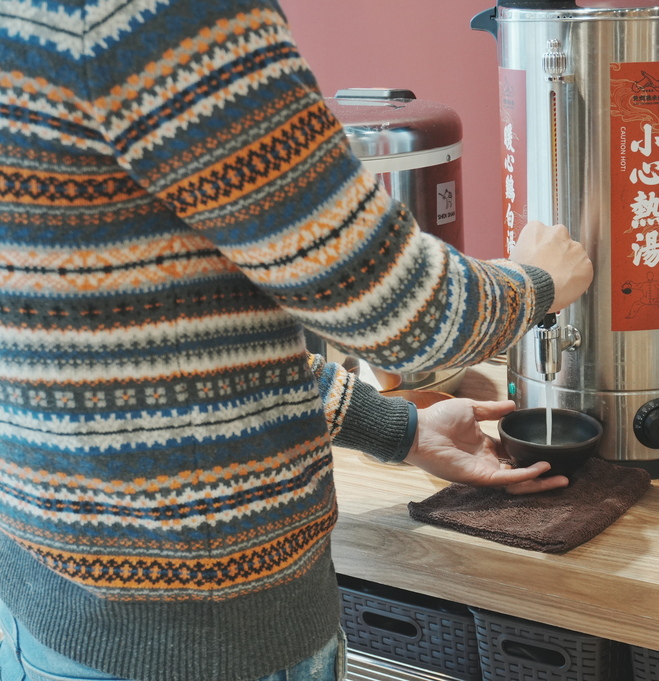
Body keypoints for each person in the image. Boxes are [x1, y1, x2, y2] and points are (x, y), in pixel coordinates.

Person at [0, 1, 593, 680]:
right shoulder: (158, 16)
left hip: (45, 611)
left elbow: (125, 345)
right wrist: (543, 279)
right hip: (209, 645)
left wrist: (396, 426)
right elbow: (409, 316)